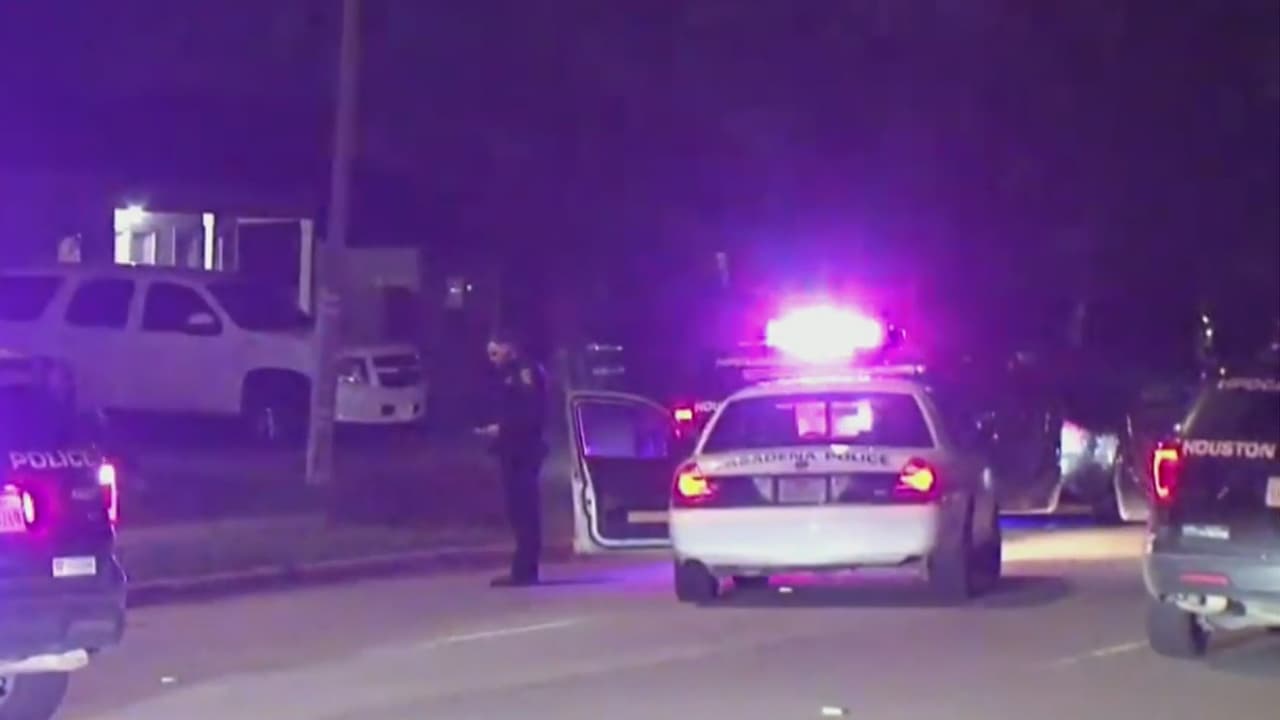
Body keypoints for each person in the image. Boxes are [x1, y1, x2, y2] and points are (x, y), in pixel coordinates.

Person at [475, 330, 547, 587]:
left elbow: (531, 413)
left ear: (509, 347)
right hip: (512, 450)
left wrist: (502, 428)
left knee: (525, 511)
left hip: (524, 451)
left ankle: (525, 570)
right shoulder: (509, 373)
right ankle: (522, 568)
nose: (492, 358)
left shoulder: (526, 372)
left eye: (495, 352)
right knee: (516, 511)